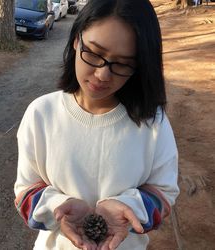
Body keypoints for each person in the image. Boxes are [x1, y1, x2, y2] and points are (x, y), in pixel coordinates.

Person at [14, 0, 179, 249]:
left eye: (122, 63)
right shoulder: (41, 114)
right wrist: (57, 206)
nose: (102, 75)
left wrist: (130, 207)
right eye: (93, 53)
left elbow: (164, 192)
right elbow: (25, 192)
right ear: (76, 40)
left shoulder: (152, 122)